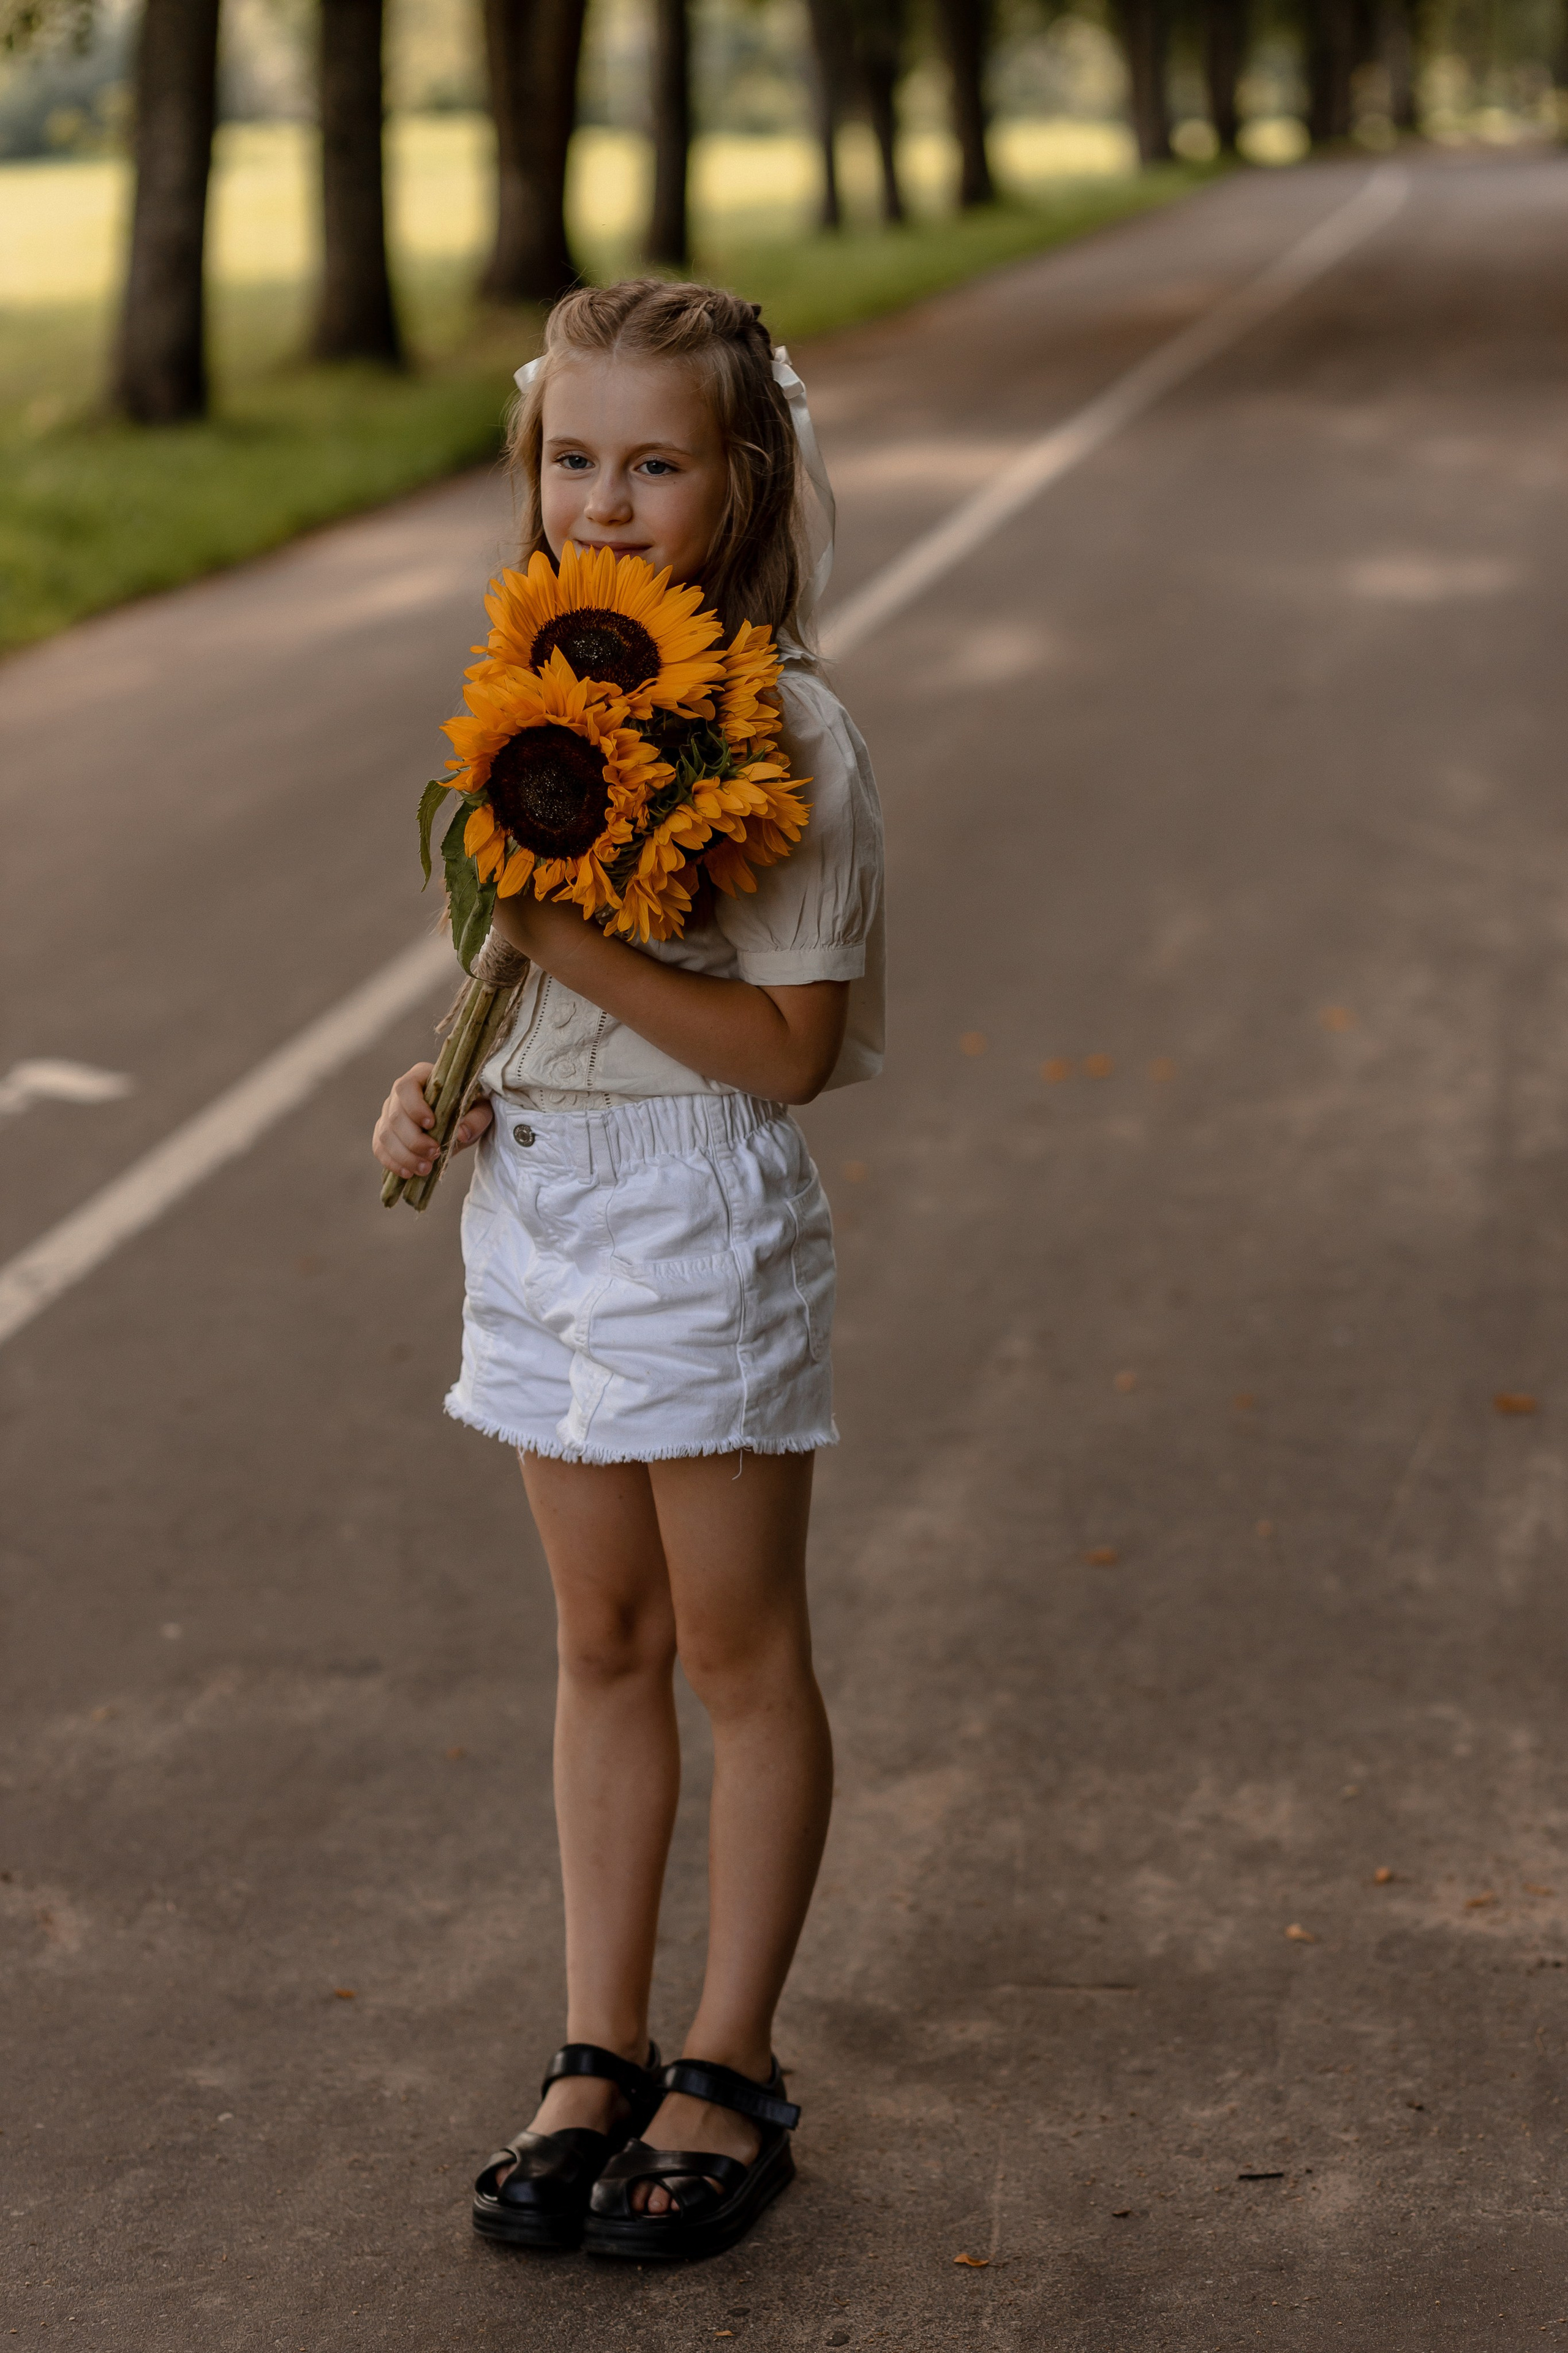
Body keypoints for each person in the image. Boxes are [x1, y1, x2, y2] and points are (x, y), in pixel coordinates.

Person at [372, 281, 884, 2262]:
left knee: (736, 1645)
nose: (604, 500)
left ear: (739, 478)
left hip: (698, 1211)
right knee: (601, 1641)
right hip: (540, 1210)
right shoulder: (538, 692)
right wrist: (429, 1096)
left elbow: (787, 1056)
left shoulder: (789, 728)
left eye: (653, 463)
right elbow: (496, 978)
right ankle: (596, 2042)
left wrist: (561, 936)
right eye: (573, 458)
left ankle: (728, 2057)